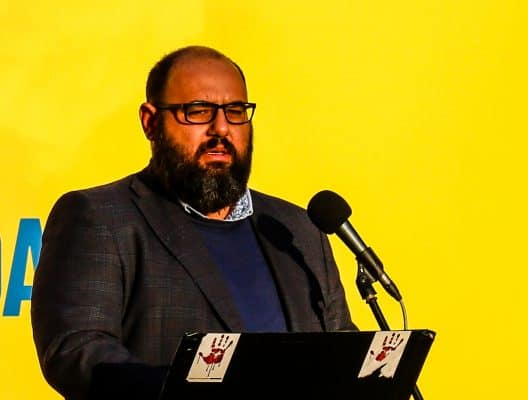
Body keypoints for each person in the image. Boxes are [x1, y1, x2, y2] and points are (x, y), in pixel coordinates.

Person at [31, 45, 355, 400]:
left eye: (235, 111)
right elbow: (77, 350)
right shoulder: (100, 218)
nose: (221, 129)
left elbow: (340, 347)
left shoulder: (297, 229)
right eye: (198, 111)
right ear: (150, 122)